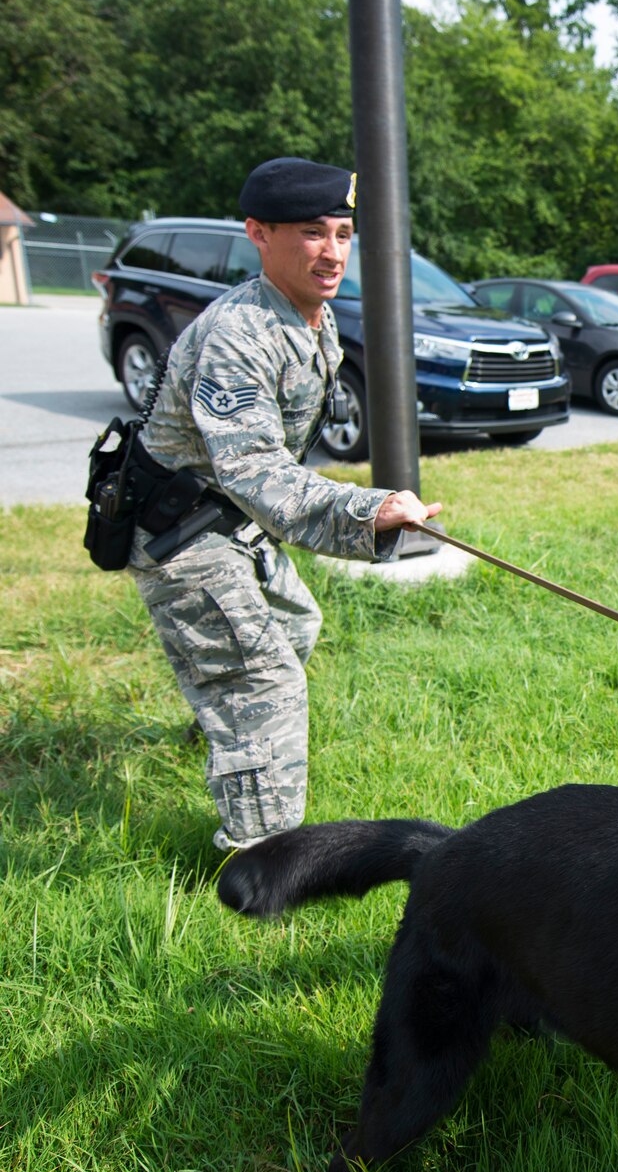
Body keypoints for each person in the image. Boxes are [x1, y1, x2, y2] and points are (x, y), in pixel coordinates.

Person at [128, 157, 439, 852]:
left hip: (227, 516)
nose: (332, 253)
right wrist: (369, 510)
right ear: (258, 234)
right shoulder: (238, 335)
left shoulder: (310, 316)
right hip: (180, 531)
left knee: (295, 624)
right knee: (264, 678)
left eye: (342, 233)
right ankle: (260, 863)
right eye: (311, 234)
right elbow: (257, 472)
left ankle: (223, 722)